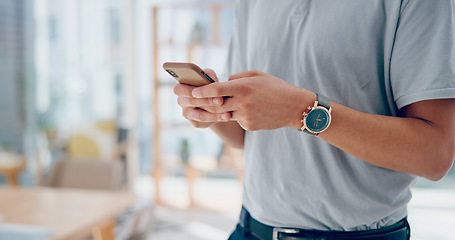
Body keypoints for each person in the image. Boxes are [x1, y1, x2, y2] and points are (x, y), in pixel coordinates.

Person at [173, 0, 455, 239]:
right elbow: (244, 137)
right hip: (252, 227)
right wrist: (213, 113)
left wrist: (301, 111)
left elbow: (434, 155)